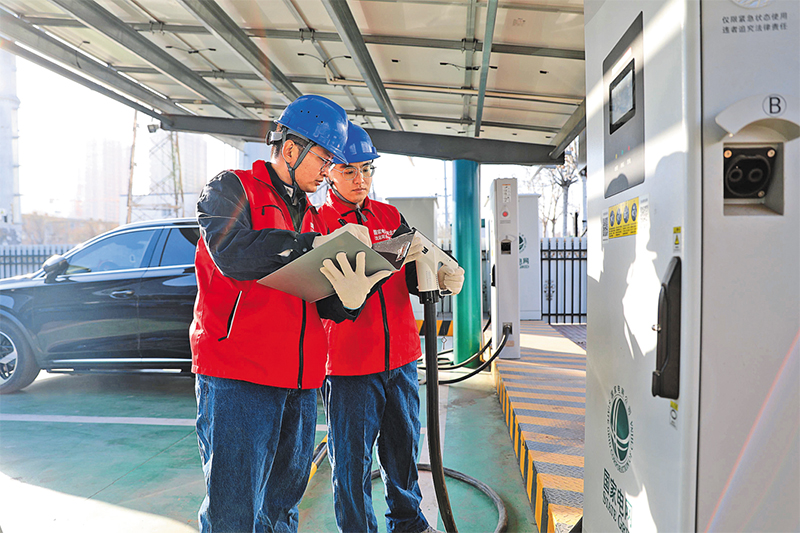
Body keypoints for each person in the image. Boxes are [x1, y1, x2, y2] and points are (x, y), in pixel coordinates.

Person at [191, 95, 390, 533]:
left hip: (300, 383)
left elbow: (320, 301)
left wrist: (353, 294)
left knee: (281, 508)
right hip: (239, 378)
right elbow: (233, 255)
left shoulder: (315, 218)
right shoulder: (231, 188)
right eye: (324, 159)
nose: (327, 171)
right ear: (291, 149)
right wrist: (307, 247)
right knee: (234, 512)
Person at [317, 122, 465, 533]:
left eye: (367, 170)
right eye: (349, 171)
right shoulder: (318, 222)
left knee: (403, 450)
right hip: (348, 366)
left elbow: (414, 276)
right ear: (328, 169)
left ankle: (408, 523)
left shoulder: (389, 216)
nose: (361, 180)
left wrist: (438, 269)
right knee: (352, 462)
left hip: (400, 358)